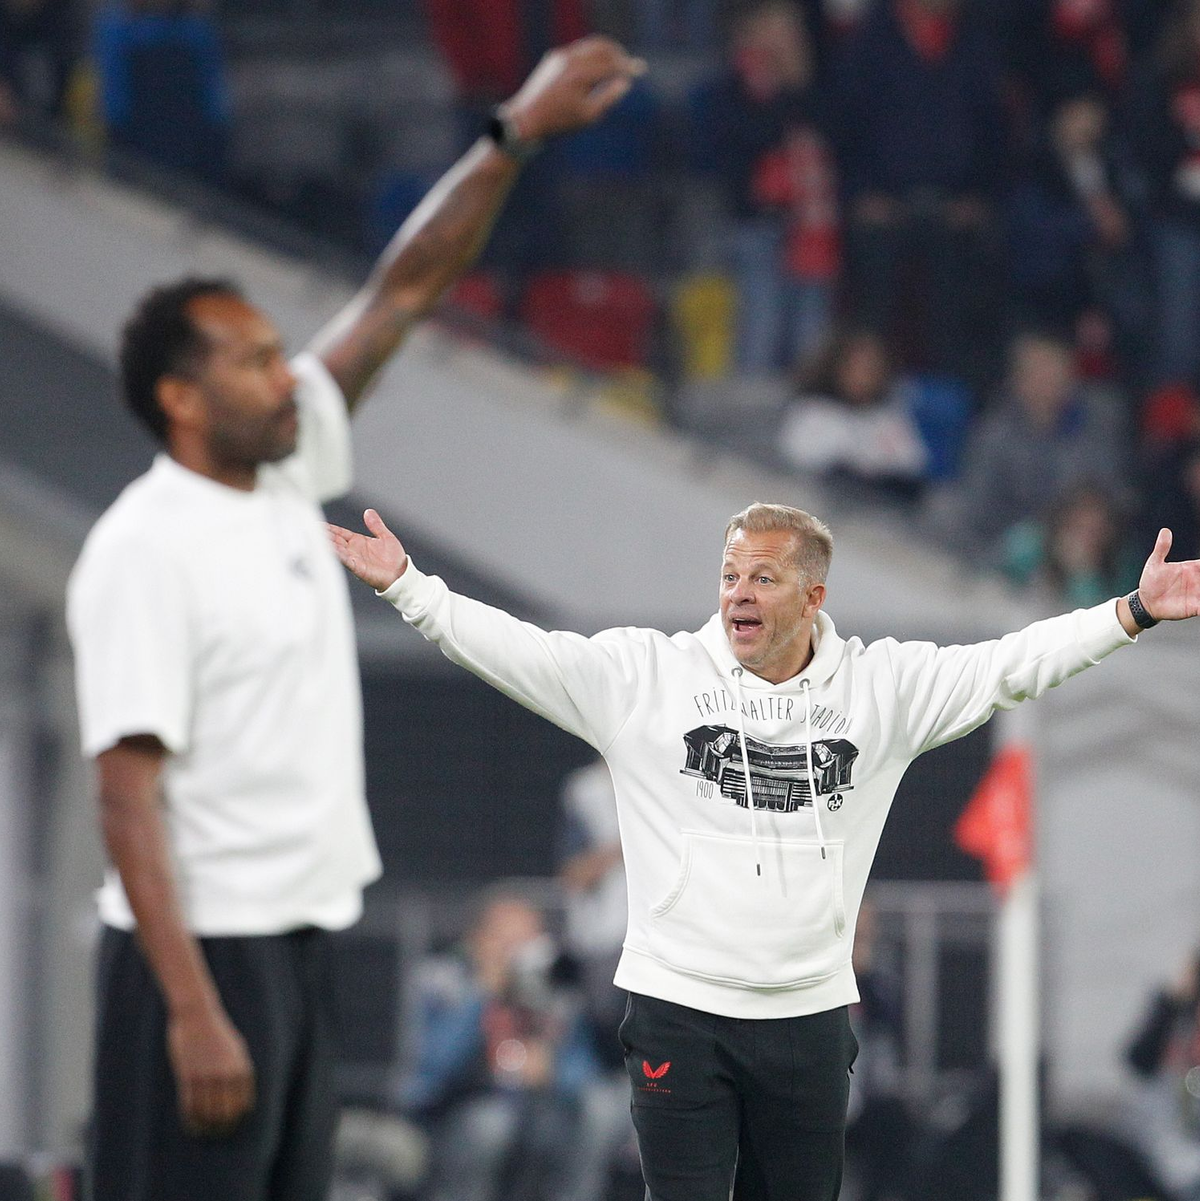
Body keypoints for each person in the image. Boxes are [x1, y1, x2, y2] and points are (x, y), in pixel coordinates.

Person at [65, 36, 644, 1201]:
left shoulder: (281, 474)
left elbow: (404, 289)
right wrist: (191, 1012)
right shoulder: (141, 545)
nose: (287, 376)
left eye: (282, 355)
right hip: (197, 967)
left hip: (294, 949)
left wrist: (511, 135)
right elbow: (124, 798)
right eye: (251, 362)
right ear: (181, 399)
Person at [327, 498, 1200, 1201]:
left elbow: (1013, 663)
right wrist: (408, 586)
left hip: (809, 1017)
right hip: (677, 1007)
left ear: (814, 596)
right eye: (729, 574)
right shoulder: (648, 677)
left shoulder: (882, 688)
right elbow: (518, 652)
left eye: (765, 577)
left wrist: (1129, 613)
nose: (738, 593)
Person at [404, 890, 606, 1201]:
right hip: (457, 1113)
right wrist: (483, 992)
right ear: (477, 939)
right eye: (505, 939)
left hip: (540, 1112)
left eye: (526, 939)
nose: (516, 952)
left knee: (591, 1115)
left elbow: (584, 1071)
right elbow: (433, 1071)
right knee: (491, 1125)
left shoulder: (556, 992)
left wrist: (552, 1070)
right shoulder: (444, 984)